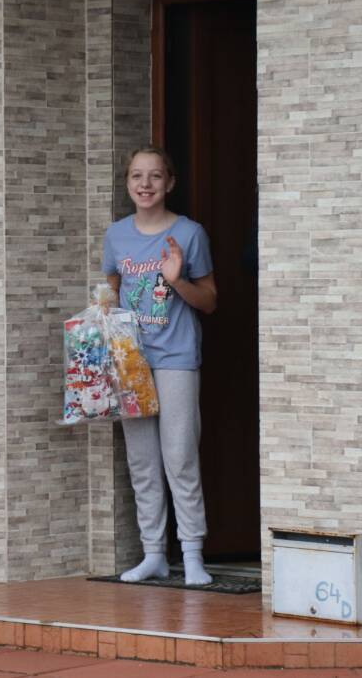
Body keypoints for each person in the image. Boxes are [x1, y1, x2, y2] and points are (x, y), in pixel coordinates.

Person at [102, 147, 217, 586]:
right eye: (136, 176)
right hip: (132, 361)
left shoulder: (189, 233)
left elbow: (209, 301)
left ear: (169, 183)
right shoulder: (116, 235)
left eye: (154, 176)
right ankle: (153, 554)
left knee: (180, 456)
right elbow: (112, 292)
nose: (145, 184)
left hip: (176, 358)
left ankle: (192, 554)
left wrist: (177, 281)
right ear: (128, 183)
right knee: (142, 460)